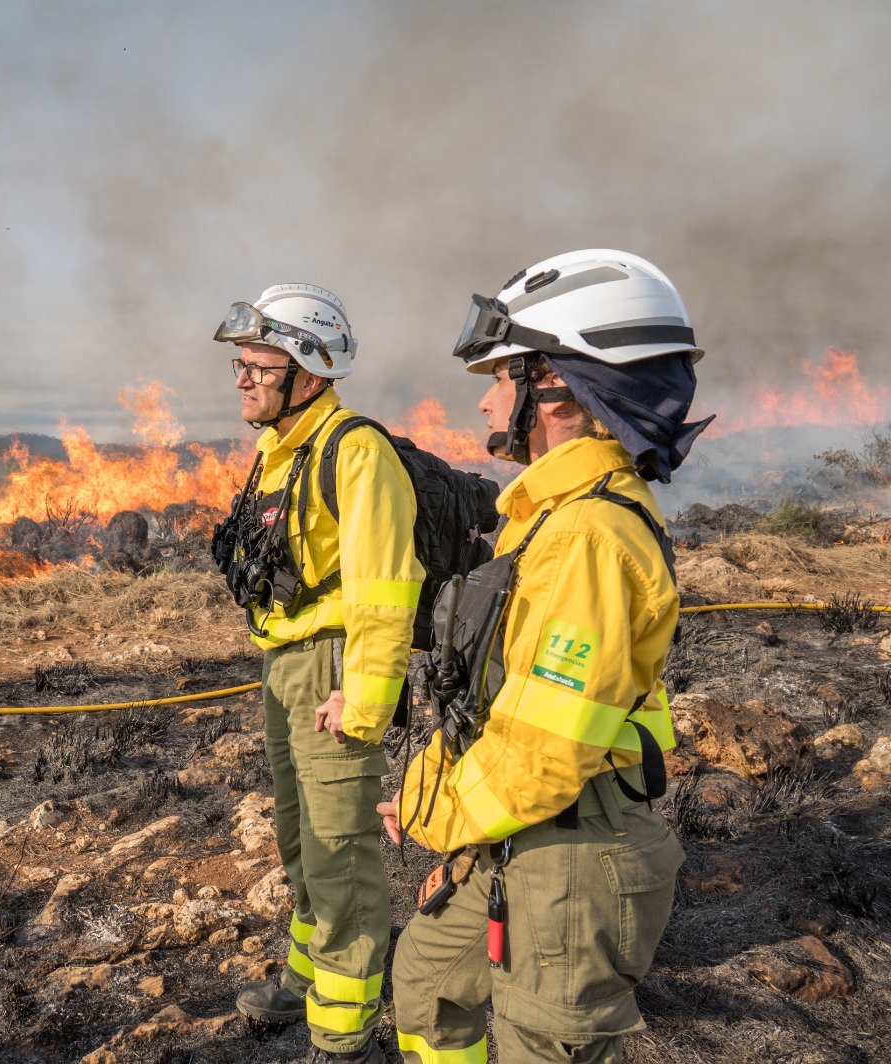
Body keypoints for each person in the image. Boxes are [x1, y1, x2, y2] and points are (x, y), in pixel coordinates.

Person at [380, 250, 708, 1063]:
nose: (488, 398)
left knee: (540, 1043)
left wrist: (438, 816)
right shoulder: (549, 516)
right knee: (427, 977)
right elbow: (502, 699)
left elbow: (547, 746)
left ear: (557, 388)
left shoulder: (588, 538)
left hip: (570, 857)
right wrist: (444, 802)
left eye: (500, 376)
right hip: (518, 828)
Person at [214, 285, 424, 1063]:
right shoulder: (280, 452)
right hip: (286, 664)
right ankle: (307, 978)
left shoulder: (356, 451)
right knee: (301, 840)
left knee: (340, 851)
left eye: (258, 365)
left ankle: (343, 1034)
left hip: (334, 670)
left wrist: (365, 702)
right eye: (241, 364)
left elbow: (385, 590)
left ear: (309, 369)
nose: (242, 379)